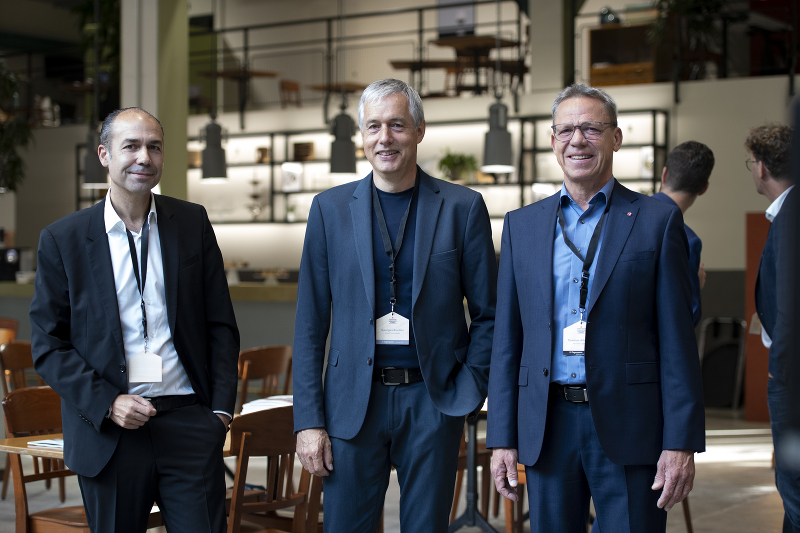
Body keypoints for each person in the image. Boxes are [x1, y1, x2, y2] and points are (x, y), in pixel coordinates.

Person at [487, 84, 705, 533]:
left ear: (616, 138)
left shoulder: (657, 221)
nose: (578, 140)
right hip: (547, 425)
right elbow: (508, 339)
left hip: (632, 423)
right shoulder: (521, 226)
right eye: (566, 130)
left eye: (591, 128)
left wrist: (681, 441)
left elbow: (677, 340)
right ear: (553, 141)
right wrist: (502, 437)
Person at [292, 78, 497, 532]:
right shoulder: (328, 210)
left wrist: (469, 389)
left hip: (432, 400)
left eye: (397, 125)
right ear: (362, 135)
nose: (385, 138)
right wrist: (308, 420)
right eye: (374, 126)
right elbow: (310, 323)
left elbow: (490, 314)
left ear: (419, 130)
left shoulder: (463, 207)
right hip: (351, 405)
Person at [29, 108, 239, 533]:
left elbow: (220, 323)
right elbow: (49, 345)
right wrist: (108, 402)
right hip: (111, 432)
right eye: (131, 146)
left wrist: (219, 414)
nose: (144, 157)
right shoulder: (63, 239)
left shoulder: (192, 222)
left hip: (189, 423)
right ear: (104, 155)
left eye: (154, 147)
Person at [747, 123, 799, 532]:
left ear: (761, 167)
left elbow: (789, 307)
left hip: (791, 377)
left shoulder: (789, 216)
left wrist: (778, 373)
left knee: (794, 484)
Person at [653, 140, 715, 327]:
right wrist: (695, 284)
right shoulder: (687, 239)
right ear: (704, 188)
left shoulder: (620, 215)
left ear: (664, 174)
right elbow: (687, 316)